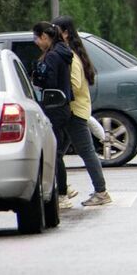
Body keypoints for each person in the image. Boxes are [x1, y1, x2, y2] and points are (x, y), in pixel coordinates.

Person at [53, 16, 111, 206]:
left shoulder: (70, 56)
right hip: (74, 111)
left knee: (86, 152)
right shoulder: (69, 53)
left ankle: (101, 192)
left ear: (66, 33)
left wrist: (58, 89)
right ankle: (64, 188)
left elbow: (76, 85)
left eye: (56, 30)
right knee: (58, 153)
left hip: (74, 112)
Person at [30, 22, 78, 207]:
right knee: (56, 152)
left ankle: (63, 194)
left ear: (44, 36)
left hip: (54, 108)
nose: (35, 42)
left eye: (36, 38)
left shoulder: (52, 57)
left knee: (54, 153)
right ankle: (64, 188)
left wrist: (37, 76)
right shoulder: (62, 53)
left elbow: (49, 83)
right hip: (63, 106)